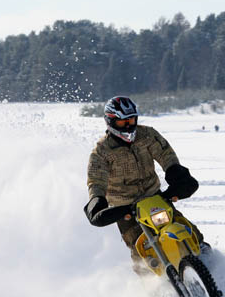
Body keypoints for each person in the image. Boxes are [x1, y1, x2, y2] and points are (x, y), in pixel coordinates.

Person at [83, 96, 209, 274]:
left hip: (155, 199)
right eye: (122, 122)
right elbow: (96, 180)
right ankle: (155, 292)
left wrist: (176, 173)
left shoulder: (148, 135)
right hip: (125, 208)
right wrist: (97, 201)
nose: (128, 126)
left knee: (192, 232)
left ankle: (207, 265)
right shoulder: (101, 152)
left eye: (131, 120)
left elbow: (166, 155)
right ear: (111, 122)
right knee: (141, 251)